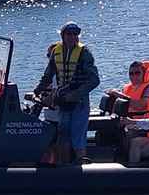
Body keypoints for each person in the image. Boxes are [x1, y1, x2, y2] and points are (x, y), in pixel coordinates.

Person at [34, 21, 100, 163]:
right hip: (63, 100)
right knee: (63, 133)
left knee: (77, 134)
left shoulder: (85, 53)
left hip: (79, 101)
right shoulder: (56, 52)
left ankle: (81, 164)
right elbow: (48, 75)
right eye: (69, 34)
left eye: (75, 34)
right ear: (63, 35)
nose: (73, 37)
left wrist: (75, 95)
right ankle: (62, 166)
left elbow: (94, 80)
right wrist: (37, 90)